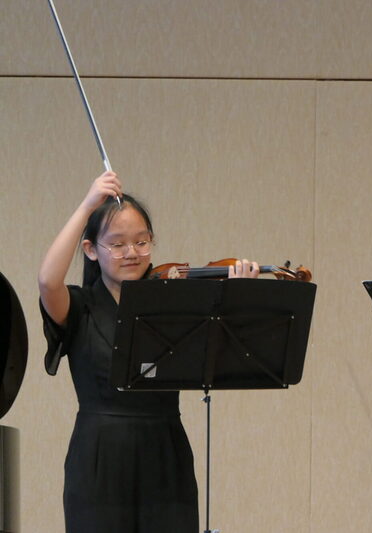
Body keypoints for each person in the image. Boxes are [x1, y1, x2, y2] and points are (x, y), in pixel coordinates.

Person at [38, 171, 260, 533]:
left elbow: (215, 357)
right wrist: (88, 204)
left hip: (165, 451)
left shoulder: (172, 303)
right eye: (118, 244)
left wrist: (237, 298)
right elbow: (48, 280)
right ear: (91, 250)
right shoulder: (79, 306)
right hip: (99, 457)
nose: (132, 253)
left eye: (142, 242)